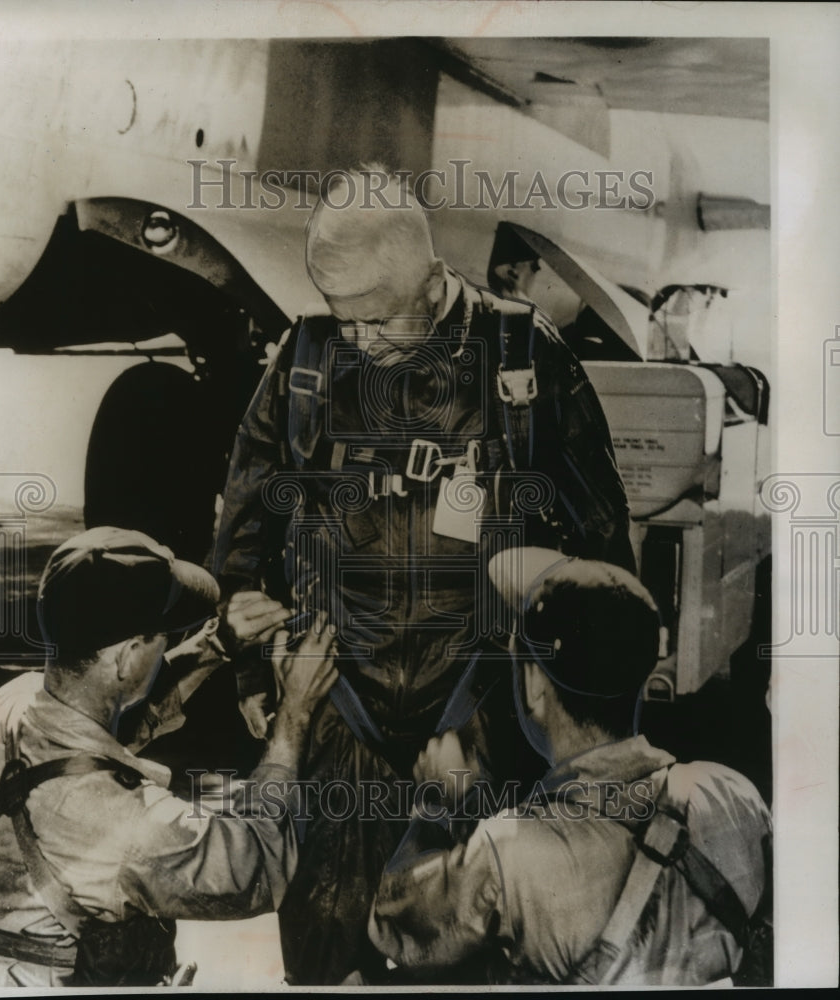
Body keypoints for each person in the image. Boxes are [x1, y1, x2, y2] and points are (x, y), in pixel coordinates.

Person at [213, 166, 635, 984]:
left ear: (431, 281)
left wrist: (579, 715)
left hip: (483, 705)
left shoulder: (519, 357)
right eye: (344, 323)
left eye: (377, 320)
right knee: (327, 942)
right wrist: (243, 635)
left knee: (478, 940)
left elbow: (602, 543)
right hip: (341, 708)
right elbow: (243, 516)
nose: (359, 342)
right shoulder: (305, 361)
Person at [369, 547, 772, 986]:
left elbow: (391, 928)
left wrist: (436, 805)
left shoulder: (506, 854)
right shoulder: (732, 794)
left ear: (535, 684)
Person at [0, 526, 338, 987]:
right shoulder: (125, 822)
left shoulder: (15, 701)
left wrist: (217, 644)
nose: (170, 643)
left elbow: (111, 725)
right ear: (128, 656)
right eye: (163, 637)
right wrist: (295, 712)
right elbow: (258, 862)